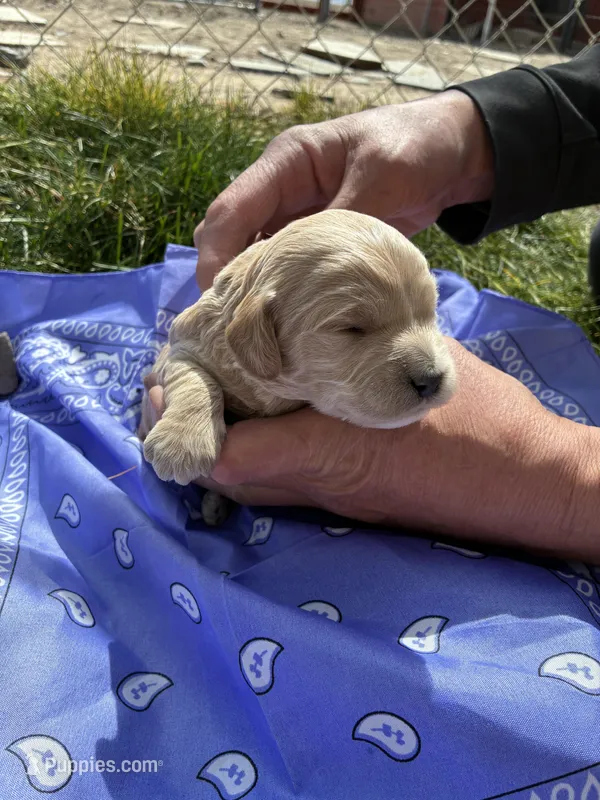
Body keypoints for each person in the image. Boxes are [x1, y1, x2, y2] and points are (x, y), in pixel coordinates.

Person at [147, 45, 600, 562]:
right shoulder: (232, 329)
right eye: (355, 329)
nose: (430, 363)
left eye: (427, 315)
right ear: (256, 337)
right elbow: (184, 358)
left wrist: (559, 480)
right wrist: (468, 134)